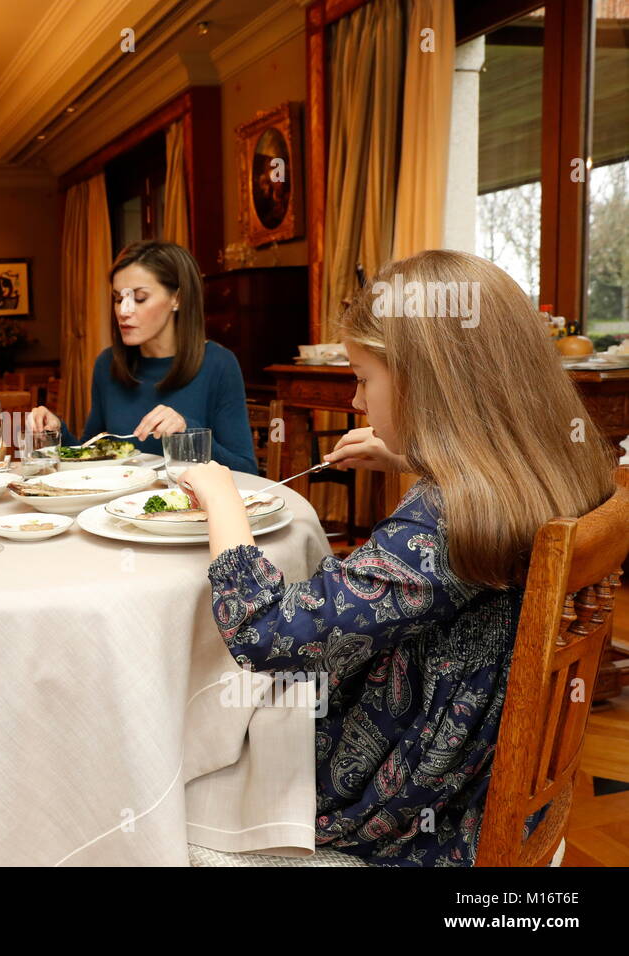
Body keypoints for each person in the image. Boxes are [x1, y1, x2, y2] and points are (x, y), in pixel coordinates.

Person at [177, 250, 614, 865]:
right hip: (479, 771)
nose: (356, 404)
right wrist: (410, 456)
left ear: (429, 382)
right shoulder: (562, 467)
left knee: (183, 761)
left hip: (403, 803)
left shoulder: (443, 520)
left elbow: (263, 630)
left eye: (362, 378)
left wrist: (222, 496)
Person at [27, 240, 257, 472]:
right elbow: (91, 459)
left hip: (190, 506)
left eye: (139, 298)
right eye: (118, 298)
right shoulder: (108, 364)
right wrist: (56, 432)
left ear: (177, 298)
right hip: (117, 507)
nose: (123, 311)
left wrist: (188, 434)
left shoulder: (219, 364)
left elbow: (246, 471)